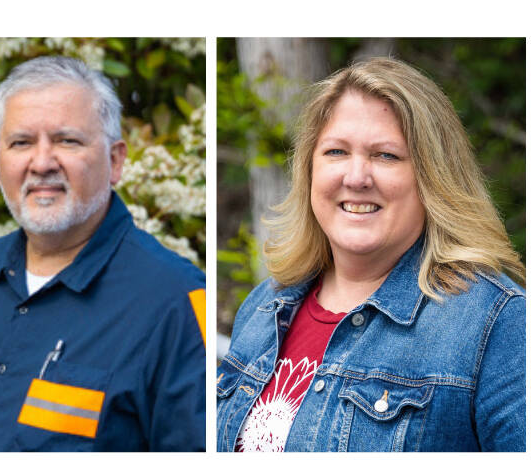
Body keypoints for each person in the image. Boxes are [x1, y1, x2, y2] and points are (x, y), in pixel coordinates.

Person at [218, 58, 524, 451]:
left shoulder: (496, 324)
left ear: (433, 177)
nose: (357, 177)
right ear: (309, 170)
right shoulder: (263, 306)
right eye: (336, 152)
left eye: (385, 156)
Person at [0, 56, 204, 450]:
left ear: (115, 160)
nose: (42, 163)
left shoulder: (175, 302)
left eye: (68, 140)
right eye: (21, 143)